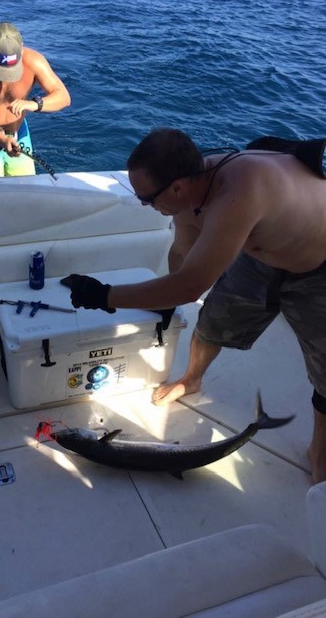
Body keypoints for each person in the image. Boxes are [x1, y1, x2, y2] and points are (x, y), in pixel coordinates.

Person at [59, 127, 326, 485]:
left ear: (177, 187)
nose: (145, 205)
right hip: (262, 255)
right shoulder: (191, 193)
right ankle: (192, 379)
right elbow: (182, 256)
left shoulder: (237, 194)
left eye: (146, 199)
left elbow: (189, 286)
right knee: (211, 325)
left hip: (317, 267)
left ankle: (320, 454)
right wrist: (165, 306)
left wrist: (103, 296)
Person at [0, 21, 71, 177]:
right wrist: (2, 140)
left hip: (17, 133)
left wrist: (35, 104)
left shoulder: (35, 61)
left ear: (22, 46)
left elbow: (64, 97)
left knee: (25, 184)